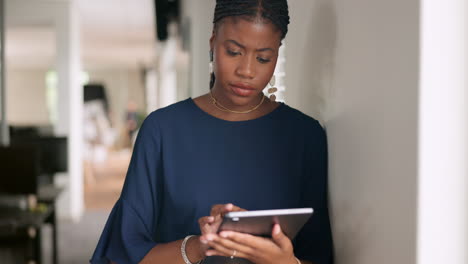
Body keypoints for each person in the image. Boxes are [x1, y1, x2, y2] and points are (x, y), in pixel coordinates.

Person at [90, 0, 333, 263]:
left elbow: (317, 254)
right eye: (233, 52)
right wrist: (199, 246)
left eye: (263, 57)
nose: (247, 71)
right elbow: (126, 254)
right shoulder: (162, 130)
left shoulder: (306, 136)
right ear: (212, 42)